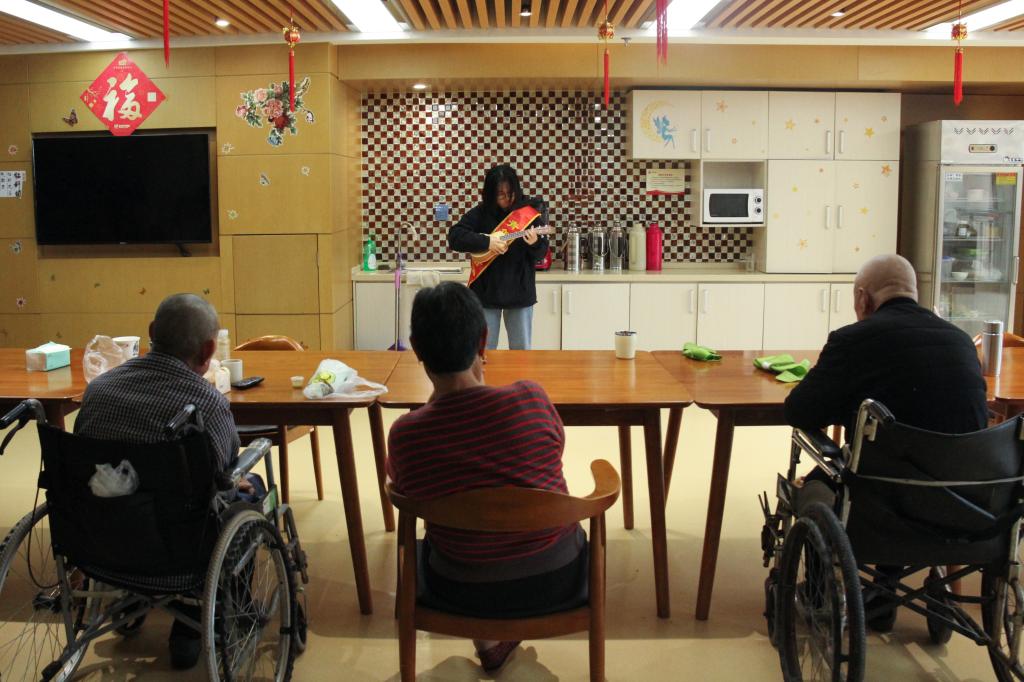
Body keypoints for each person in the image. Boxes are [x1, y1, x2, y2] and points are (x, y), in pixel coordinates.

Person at [386, 282, 585, 673]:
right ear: (483, 339)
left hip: (458, 589)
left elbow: (403, 487)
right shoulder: (530, 399)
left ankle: (487, 637)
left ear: (416, 348)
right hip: (555, 576)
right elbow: (555, 450)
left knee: (448, 530)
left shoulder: (407, 435)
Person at [784, 253, 988, 630]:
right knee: (903, 465)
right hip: (967, 502)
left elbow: (800, 411)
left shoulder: (852, 340)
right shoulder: (961, 341)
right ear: (914, 292)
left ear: (863, 298)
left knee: (818, 485)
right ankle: (884, 592)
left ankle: (817, 596)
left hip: (882, 504)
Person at [75, 292, 257, 670]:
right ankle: (194, 622)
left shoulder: (98, 390)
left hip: (102, 538)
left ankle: (132, 597)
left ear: (152, 331)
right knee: (251, 487)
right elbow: (224, 470)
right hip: (180, 547)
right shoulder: (206, 404)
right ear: (209, 349)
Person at [448, 164, 550, 350]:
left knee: (521, 354)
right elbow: (455, 237)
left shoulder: (528, 214)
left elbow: (542, 252)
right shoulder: (481, 213)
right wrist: (487, 242)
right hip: (486, 293)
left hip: (519, 292)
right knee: (483, 352)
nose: (507, 199)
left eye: (510, 193)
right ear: (490, 194)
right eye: (501, 194)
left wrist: (535, 243)